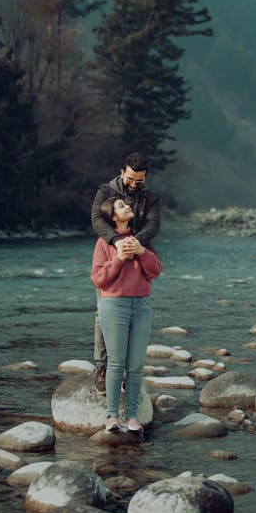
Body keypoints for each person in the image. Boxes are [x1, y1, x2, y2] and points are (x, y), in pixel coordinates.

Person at [91, 152, 161, 394]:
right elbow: (96, 219)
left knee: (136, 313)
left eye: (138, 181)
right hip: (111, 249)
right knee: (103, 313)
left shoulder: (150, 197)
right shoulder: (106, 191)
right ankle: (102, 367)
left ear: (146, 177)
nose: (133, 185)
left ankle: (126, 371)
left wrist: (135, 243)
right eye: (130, 179)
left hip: (139, 250)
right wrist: (115, 242)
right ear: (122, 172)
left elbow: (153, 224)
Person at [91, 196, 162, 432]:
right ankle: (111, 416)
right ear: (112, 217)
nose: (127, 206)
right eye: (121, 206)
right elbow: (98, 278)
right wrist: (119, 258)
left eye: (127, 204)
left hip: (141, 305)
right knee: (116, 363)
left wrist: (142, 251)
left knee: (135, 365)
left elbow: (155, 271)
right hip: (114, 305)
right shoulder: (104, 242)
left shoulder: (141, 240)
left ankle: (131, 417)